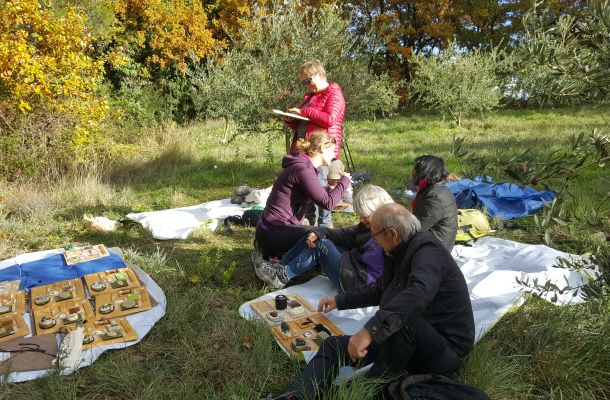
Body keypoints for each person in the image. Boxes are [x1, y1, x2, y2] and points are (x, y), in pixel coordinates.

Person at [271, 203, 475, 400]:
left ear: (393, 233)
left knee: (406, 321)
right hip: (405, 336)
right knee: (334, 346)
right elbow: (382, 288)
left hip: (445, 350)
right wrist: (339, 300)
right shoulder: (396, 251)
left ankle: (364, 389)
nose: (374, 241)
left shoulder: (427, 251)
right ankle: (295, 396)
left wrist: (370, 331)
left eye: (375, 235)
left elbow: (419, 292)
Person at [255, 185, 394, 291]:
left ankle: (281, 275)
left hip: (356, 285)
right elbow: (346, 234)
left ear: (379, 210)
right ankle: (280, 266)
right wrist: (320, 231)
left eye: (366, 216)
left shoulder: (387, 237)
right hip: (351, 268)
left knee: (321, 245)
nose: (362, 220)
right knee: (315, 236)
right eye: (362, 216)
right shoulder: (370, 225)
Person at [254, 132, 351, 282]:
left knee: (318, 236)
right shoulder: (302, 169)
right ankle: (280, 271)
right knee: (320, 236)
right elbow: (328, 203)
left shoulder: (303, 166)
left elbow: (318, 193)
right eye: (333, 150)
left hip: (271, 230)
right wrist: (345, 181)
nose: (334, 154)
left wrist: (332, 188)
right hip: (273, 232)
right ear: (322, 149)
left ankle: (279, 260)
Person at [284, 59, 346, 228]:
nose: (307, 85)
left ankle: (325, 232)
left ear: (319, 74)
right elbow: (305, 122)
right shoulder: (309, 97)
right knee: (307, 194)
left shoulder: (334, 93)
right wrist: (291, 120)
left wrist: (304, 111)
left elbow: (330, 119)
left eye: (308, 80)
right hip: (305, 152)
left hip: (321, 152)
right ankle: (310, 230)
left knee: (322, 195)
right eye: (304, 82)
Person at [410, 155, 458, 252]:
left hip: (435, 249)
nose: (414, 173)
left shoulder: (435, 197)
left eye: (417, 170)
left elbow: (418, 228)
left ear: (426, 171)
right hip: (433, 241)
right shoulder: (434, 189)